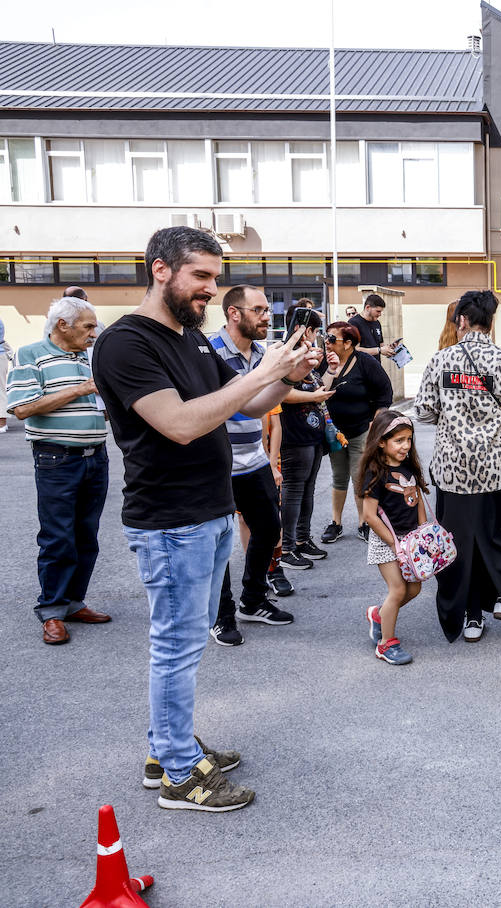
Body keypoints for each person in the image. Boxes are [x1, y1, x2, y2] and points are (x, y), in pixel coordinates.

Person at [93, 226, 318, 812]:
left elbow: (246, 405)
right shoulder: (125, 344)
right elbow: (183, 423)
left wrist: (285, 374)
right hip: (171, 523)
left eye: (215, 280)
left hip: (211, 512)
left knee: (183, 646)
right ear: (160, 270)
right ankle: (176, 773)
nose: (210, 291)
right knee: (176, 647)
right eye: (201, 277)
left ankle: (165, 747)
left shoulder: (193, 342)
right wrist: (262, 371)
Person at [414, 291, 501, 641]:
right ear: (490, 322)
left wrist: (455, 411)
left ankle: (471, 617)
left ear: (461, 320)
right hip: (500, 467)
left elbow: (424, 411)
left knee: (458, 543)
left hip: (454, 469)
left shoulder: (440, 361)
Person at [6, 294, 111, 645]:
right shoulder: (29, 354)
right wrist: (82, 389)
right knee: (57, 536)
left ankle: (74, 602)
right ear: (62, 325)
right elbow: (21, 408)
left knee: (87, 535)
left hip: (96, 456)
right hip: (56, 459)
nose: (94, 333)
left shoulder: (88, 356)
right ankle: (51, 610)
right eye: (88, 326)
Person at [207, 286, 295, 646]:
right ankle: (221, 614)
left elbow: (261, 406)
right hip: (217, 464)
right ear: (234, 314)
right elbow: (234, 404)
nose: (267, 315)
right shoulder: (208, 352)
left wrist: (292, 374)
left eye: (266, 309)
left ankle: (253, 600)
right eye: (258, 309)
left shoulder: (263, 354)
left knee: (269, 528)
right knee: (218, 542)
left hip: (253, 460)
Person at [358, 410, 427, 665]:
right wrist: (393, 543)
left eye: (408, 439)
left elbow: (416, 497)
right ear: (381, 442)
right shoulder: (375, 472)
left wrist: (422, 532)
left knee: (414, 588)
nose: (405, 445)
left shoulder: (409, 465)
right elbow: (370, 515)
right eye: (399, 441)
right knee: (397, 590)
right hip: (387, 541)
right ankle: (386, 643)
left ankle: (378, 614)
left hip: (411, 540)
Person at [321, 321, 394, 542]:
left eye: (332, 339)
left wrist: (376, 421)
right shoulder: (324, 362)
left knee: (359, 476)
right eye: (326, 336)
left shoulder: (365, 362)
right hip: (333, 430)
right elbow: (317, 390)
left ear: (349, 343)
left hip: (361, 429)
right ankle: (336, 523)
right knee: (338, 476)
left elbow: (385, 393)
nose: (327, 341)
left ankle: (364, 522)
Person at [276, 313, 334, 571]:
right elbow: (282, 392)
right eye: (315, 330)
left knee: (307, 490)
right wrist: (314, 394)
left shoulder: (307, 354)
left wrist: (330, 370)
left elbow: (318, 389)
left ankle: (301, 539)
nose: (317, 337)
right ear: (304, 330)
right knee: (293, 492)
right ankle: (286, 547)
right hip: (294, 436)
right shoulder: (286, 354)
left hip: (312, 434)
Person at [348, 294, 395, 360]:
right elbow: (354, 349)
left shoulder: (377, 323)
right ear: (367, 308)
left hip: (375, 366)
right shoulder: (353, 323)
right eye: (378, 311)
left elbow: (380, 345)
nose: (380, 314)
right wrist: (379, 350)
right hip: (361, 368)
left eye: (381, 311)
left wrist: (389, 348)